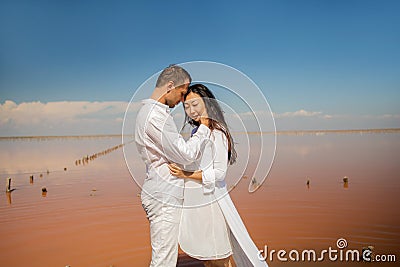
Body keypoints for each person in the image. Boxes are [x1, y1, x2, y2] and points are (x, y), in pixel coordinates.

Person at [168, 84, 268, 267]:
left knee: (218, 256)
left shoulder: (217, 133)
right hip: (197, 201)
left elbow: (219, 173)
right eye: (187, 106)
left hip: (211, 200)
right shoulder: (196, 132)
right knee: (207, 256)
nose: (191, 110)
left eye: (195, 104)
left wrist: (186, 174)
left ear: (208, 103)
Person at [135, 65, 211, 267]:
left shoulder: (151, 112)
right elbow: (185, 155)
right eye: (182, 92)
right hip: (164, 195)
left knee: (165, 256)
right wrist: (204, 127)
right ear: (170, 86)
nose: (182, 99)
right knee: (164, 261)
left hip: (162, 192)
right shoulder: (155, 116)